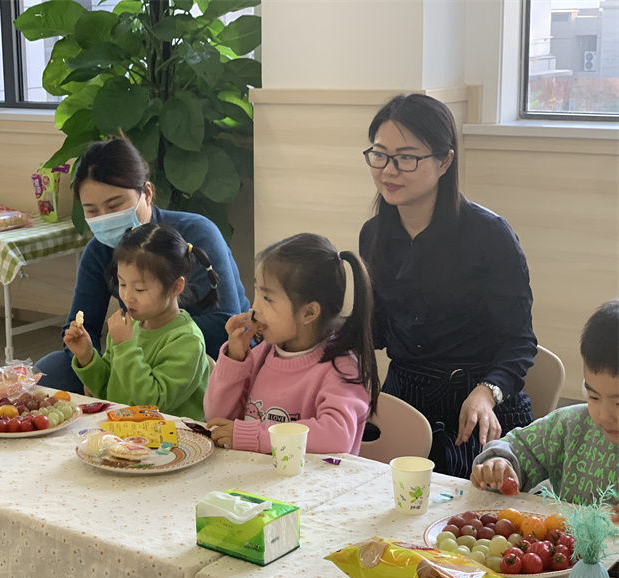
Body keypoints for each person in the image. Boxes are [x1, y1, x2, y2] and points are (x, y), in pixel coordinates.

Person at [359, 93, 536, 479]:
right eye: (380, 154)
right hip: (406, 399)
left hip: (477, 403)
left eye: (406, 157)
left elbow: (519, 343)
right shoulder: (374, 235)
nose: (389, 170)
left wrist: (487, 392)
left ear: (445, 161)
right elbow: (377, 331)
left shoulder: (489, 235)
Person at [36, 138, 250, 393]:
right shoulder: (99, 250)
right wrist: (85, 354)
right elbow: (82, 325)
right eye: (92, 211)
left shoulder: (196, 233)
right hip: (136, 353)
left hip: (204, 357)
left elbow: (224, 326)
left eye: (115, 205)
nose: (105, 218)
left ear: (146, 194)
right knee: (51, 370)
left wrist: (143, 339)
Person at [204, 233, 378, 454]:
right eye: (257, 292)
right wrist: (234, 358)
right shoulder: (263, 353)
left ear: (309, 312)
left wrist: (255, 436)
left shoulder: (339, 367)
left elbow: (337, 435)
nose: (255, 307)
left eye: (268, 298)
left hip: (312, 486)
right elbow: (217, 419)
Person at [470, 300, 619, 521]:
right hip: (564, 552)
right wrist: (499, 465)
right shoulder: (570, 426)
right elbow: (518, 447)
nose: (604, 415)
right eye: (594, 396)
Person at [63, 223, 214, 419]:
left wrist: (126, 346)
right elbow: (108, 392)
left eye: (140, 289)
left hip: (173, 438)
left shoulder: (186, 340)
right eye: (122, 283)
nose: (127, 296)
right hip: (127, 432)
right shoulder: (130, 325)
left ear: (175, 287)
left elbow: (153, 404)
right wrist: (87, 356)